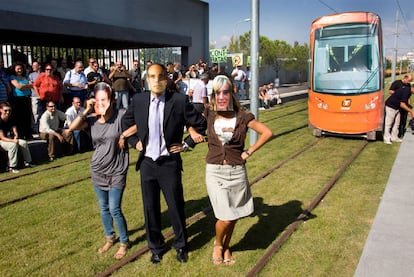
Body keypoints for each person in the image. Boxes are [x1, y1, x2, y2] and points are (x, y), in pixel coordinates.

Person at [122, 63, 206, 264]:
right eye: (152, 77)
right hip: (148, 164)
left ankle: (181, 245)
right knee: (150, 208)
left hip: (169, 163)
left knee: (176, 207)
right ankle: (156, 247)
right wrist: (135, 142)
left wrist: (186, 144)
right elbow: (126, 123)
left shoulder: (178, 100)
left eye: (160, 77)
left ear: (166, 79)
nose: (156, 81)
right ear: (147, 80)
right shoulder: (139, 100)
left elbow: (201, 124)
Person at [204, 75, 273, 265]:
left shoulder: (243, 116)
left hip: (236, 172)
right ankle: (218, 244)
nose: (222, 96)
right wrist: (192, 133)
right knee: (225, 217)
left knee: (233, 215)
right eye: (218, 93)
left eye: (225, 92)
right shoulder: (208, 113)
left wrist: (248, 152)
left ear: (232, 92)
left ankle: (227, 247)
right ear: (214, 95)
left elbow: (267, 133)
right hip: (215, 171)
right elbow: (188, 120)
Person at [68, 82, 130, 260]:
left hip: (117, 169)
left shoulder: (121, 116)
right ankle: (109, 238)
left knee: (114, 208)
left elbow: (140, 124)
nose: (101, 103)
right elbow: (72, 128)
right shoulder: (92, 120)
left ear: (112, 100)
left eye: (105, 99)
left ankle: (124, 242)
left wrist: (125, 135)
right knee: (103, 208)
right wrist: (86, 111)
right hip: (97, 170)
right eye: (98, 100)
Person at [0, 102, 35, 173]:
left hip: (10, 139)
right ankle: (11, 166)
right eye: (5, 110)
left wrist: (15, 137)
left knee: (24, 143)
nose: (8, 112)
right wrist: (13, 141)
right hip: (2, 141)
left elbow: (15, 131)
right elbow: (2, 137)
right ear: (0, 110)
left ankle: (28, 162)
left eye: (9, 110)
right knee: (13, 145)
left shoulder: (11, 118)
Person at [9, 62, 34, 139]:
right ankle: (19, 134)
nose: (20, 70)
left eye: (21, 69)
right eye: (18, 69)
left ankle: (27, 134)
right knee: (18, 117)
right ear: (14, 69)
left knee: (27, 116)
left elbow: (32, 85)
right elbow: (19, 86)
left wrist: (25, 86)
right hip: (17, 99)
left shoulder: (26, 76)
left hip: (26, 98)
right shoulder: (12, 77)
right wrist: (26, 86)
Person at [389, 73, 413, 138]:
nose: (409, 82)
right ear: (405, 78)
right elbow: (390, 91)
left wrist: (408, 105)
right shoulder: (397, 83)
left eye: (410, 81)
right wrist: (399, 93)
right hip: (397, 103)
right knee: (395, 119)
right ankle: (392, 133)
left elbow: (408, 96)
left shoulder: (408, 85)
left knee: (403, 119)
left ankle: (401, 132)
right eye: (409, 80)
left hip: (404, 103)